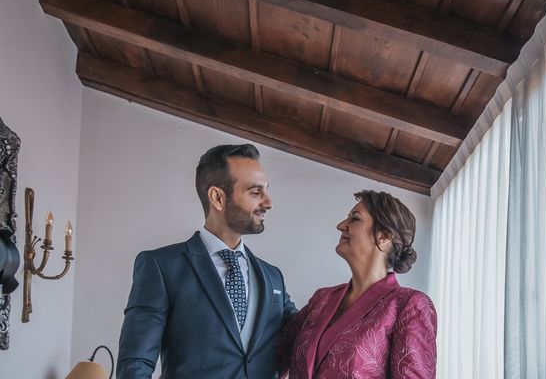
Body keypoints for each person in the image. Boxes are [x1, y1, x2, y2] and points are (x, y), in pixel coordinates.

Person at [117, 144, 296, 379]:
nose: (269, 202)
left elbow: (307, 335)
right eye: (255, 192)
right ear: (217, 198)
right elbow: (135, 365)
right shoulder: (161, 266)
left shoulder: (273, 277)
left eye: (267, 190)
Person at [278, 190, 437, 379]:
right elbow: (275, 351)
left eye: (354, 219)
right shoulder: (322, 298)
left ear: (384, 236)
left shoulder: (409, 305)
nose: (341, 226)